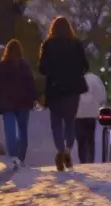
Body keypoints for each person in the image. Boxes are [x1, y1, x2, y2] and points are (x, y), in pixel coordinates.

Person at [38, 16, 89, 171]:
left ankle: (60, 150)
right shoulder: (76, 44)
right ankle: (67, 150)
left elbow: (42, 68)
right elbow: (85, 66)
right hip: (73, 90)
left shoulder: (48, 45)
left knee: (56, 123)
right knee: (70, 122)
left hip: (55, 89)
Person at [0, 39, 37, 171]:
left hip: (7, 103)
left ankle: (14, 158)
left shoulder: (1, 66)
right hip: (23, 103)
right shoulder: (24, 66)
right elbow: (31, 84)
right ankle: (21, 158)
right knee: (23, 131)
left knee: (10, 132)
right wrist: (32, 99)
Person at [75, 71, 108, 164]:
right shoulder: (95, 78)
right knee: (90, 138)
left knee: (80, 140)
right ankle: (90, 160)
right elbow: (102, 96)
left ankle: (83, 161)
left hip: (78, 114)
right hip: (92, 113)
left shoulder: (74, 77)